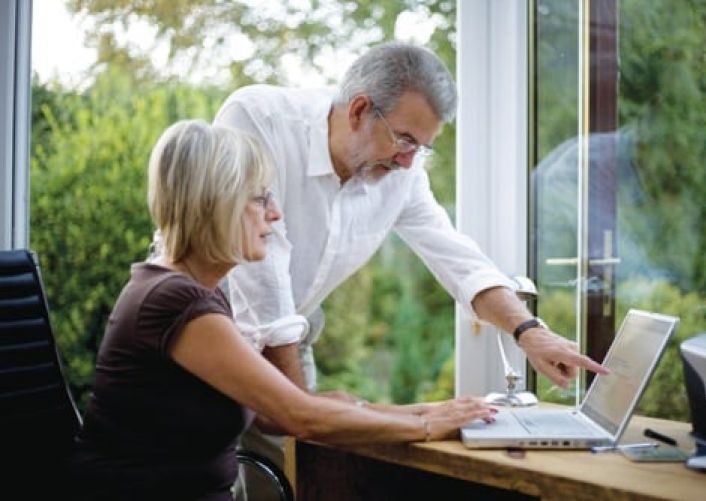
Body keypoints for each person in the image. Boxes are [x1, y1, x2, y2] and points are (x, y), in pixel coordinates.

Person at [212, 41, 608, 496]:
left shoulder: (401, 173)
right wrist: (306, 410)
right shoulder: (260, 119)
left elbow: (454, 255)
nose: (408, 159)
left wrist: (529, 331)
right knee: (230, 468)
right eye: (404, 139)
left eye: (421, 147)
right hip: (214, 327)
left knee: (295, 477)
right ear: (359, 110)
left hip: (290, 333)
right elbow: (263, 277)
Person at [70, 120, 495, 500]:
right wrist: (424, 427)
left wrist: (421, 411)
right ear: (216, 204)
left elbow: (274, 413)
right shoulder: (175, 302)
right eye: (259, 199)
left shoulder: (191, 292)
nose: (274, 214)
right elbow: (296, 416)